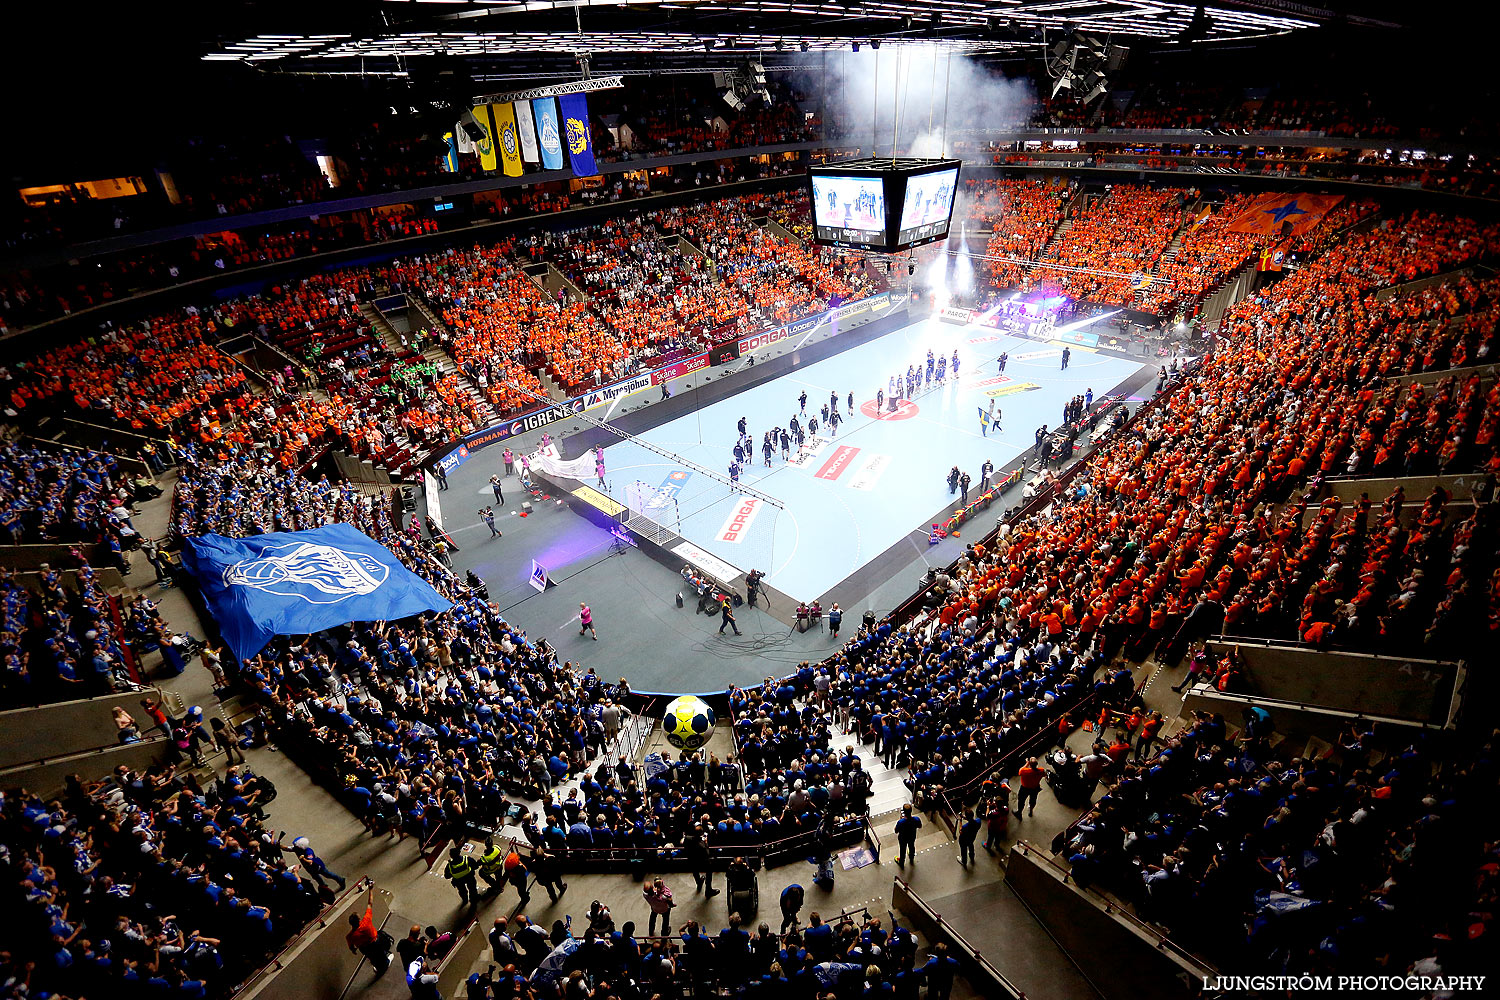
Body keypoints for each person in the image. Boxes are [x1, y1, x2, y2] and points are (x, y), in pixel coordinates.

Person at [346, 882, 392, 977]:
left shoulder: (350, 936)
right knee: (381, 955)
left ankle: (378, 967)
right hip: (375, 943)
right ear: (359, 920)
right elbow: (370, 903)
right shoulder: (366, 921)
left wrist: (353, 950)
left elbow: (351, 947)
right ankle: (386, 963)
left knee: (372, 958)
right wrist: (370, 889)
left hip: (365, 949)